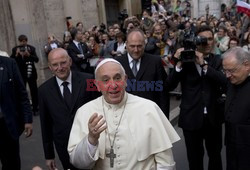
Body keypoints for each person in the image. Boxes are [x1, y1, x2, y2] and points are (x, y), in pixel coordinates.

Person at [67, 58, 180, 170]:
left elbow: (166, 163)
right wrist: (91, 139)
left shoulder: (149, 108)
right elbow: (79, 163)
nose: (113, 85)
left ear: (125, 80)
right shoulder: (84, 111)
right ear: (97, 85)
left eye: (117, 78)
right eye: (105, 80)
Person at [169, 25, 227, 170]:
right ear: (195, 41)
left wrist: (204, 64)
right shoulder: (185, 61)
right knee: (194, 159)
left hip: (213, 118)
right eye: (203, 40)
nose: (207, 43)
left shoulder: (218, 60)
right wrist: (178, 65)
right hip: (191, 118)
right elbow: (168, 86)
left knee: (215, 156)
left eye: (210, 39)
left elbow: (224, 82)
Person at [39, 48, 97, 170]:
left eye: (63, 62)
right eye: (55, 65)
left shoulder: (89, 80)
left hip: (90, 141)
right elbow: (46, 125)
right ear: (50, 67)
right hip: (64, 146)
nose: (60, 67)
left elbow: (100, 108)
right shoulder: (44, 90)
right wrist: (49, 155)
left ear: (70, 61)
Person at [116, 28, 170, 118]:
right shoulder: (117, 63)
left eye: (139, 46)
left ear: (144, 44)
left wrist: (164, 120)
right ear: (126, 44)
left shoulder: (155, 62)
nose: (136, 50)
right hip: (125, 117)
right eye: (132, 46)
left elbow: (163, 94)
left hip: (150, 116)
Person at [0, 56, 33, 170]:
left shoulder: (9, 63)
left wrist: (27, 120)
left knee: (11, 163)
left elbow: (22, 93)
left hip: (7, 125)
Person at [222, 47, 250, 170]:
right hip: (231, 146)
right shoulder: (233, 80)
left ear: (246, 65)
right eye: (225, 71)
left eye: (232, 71)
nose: (228, 75)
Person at [10, 34, 39, 115]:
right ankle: (24, 108)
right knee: (22, 91)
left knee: (34, 91)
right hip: (20, 74)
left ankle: (35, 108)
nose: (23, 43)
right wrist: (16, 54)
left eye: (25, 41)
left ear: (27, 41)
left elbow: (37, 60)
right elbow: (11, 61)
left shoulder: (31, 48)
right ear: (19, 41)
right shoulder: (15, 49)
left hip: (31, 73)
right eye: (22, 42)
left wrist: (29, 55)